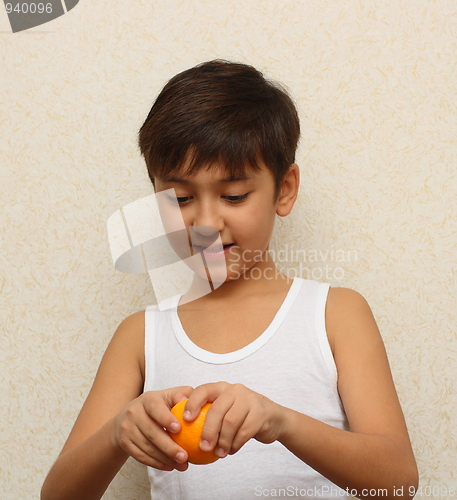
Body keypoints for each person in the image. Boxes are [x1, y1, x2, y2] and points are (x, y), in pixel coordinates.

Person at [41, 60, 418, 500]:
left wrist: (281, 421)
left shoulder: (336, 313)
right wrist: (115, 435)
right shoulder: (140, 336)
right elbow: (57, 496)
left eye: (233, 195)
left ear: (285, 189)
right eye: (180, 198)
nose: (205, 222)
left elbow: (398, 484)